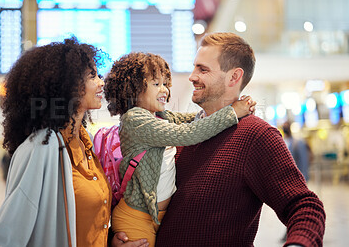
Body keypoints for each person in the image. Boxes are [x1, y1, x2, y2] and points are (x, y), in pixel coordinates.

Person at [155, 33, 326, 246]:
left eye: (203, 69)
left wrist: (298, 244)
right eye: (194, 67)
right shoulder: (183, 133)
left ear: (234, 77)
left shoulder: (256, 135)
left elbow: (305, 206)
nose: (192, 76)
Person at [0, 38, 148, 247]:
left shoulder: (88, 145)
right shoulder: (42, 148)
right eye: (92, 76)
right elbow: (9, 230)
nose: (101, 82)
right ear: (68, 85)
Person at [102, 52, 256, 246]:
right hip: (136, 218)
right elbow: (188, 133)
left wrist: (228, 107)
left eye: (165, 83)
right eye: (156, 84)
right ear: (134, 88)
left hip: (156, 218)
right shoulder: (135, 119)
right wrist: (233, 112)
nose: (164, 90)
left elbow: (197, 118)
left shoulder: (160, 115)